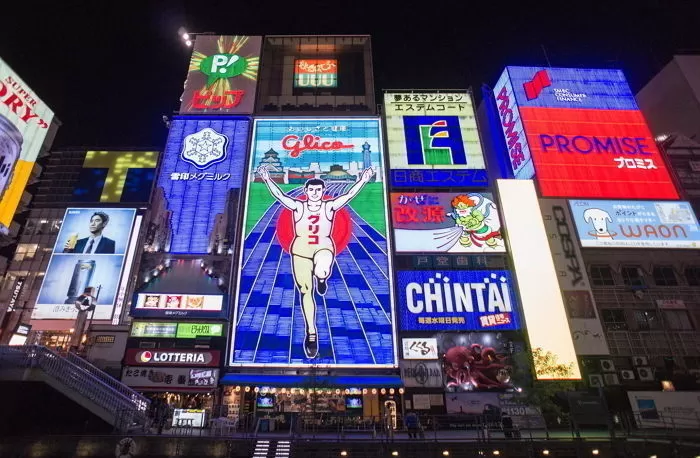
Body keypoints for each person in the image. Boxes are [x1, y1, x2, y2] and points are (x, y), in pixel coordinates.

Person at [257, 164, 374, 358]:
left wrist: (362, 179)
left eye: (318, 190)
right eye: (311, 189)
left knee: (321, 268)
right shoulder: (297, 206)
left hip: (323, 247)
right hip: (300, 251)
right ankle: (311, 333)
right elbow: (280, 196)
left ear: (322, 191)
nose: (314, 193)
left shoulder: (329, 206)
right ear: (306, 191)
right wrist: (267, 179)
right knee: (305, 291)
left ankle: (322, 277)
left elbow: (348, 196)